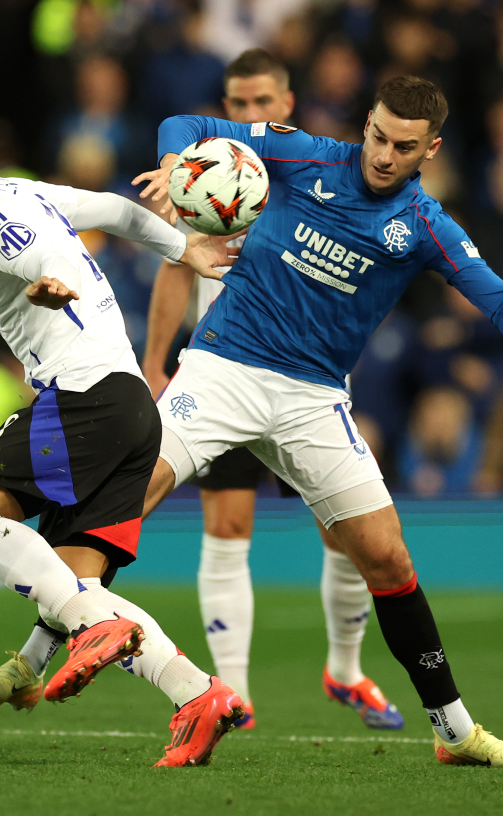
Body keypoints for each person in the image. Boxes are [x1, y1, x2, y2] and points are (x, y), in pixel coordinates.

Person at [132, 75, 503, 769]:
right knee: (133, 490)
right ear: (367, 124)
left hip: (313, 397)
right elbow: (182, 119)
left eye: (405, 147)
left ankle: (455, 732)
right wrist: (179, 161)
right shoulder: (304, 154)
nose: (385, 155)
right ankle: (42, 645)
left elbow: (499, 298)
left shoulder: (424, 226)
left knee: (387, 556)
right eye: (379, 137)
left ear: (432, 149)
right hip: (226, 367)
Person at [0, 119, 244, 767]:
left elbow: (46, 254)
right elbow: (118, 210)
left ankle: (86, 631)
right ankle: (198, 695)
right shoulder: (18, 192)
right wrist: (184, 249)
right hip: (129, 411)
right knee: (76, 586)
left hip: (83, 398)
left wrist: (56, 278)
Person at [140, 48, 401, 731]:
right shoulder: (205, 178)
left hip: (305, 379)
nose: (248, 114)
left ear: (285, 106)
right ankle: (233, 694)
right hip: (223, 372)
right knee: (227, 526)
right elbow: (175, 270)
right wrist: (155, 360)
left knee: (345, 534)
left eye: (261, 103)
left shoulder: (308, 171)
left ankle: (345, 669)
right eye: (237, 104)